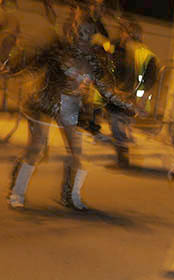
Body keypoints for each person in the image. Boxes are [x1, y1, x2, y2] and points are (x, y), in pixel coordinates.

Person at [6, 15, 134, 210]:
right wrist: (12, 68)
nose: (83, 34)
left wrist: (129, 105)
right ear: (74, 30)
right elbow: (33, 62)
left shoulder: (96, 62)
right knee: (37, 147)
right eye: (80, 29)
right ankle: (17, 192)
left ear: (93, 34)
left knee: (77, 153)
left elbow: (107, 91)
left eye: (88, 31)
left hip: (70, 107)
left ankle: (71, 196)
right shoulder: (59, 49)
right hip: (44, 102)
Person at [108, 20, 157, 168]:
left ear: (130, 34)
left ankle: (123, 160)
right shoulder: (119, 50)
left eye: (124, 32)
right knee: (117, 124)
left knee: (118, 125)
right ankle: (123, 157)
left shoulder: (143, 54)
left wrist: (135, 96)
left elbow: (149, 79)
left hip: (129, 97)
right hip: (117, 95)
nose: (121, 35)